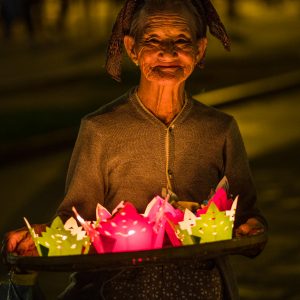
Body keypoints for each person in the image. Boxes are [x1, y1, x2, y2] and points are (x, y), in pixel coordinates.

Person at [3, 0, 267, 299]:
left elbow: (246, 215)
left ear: (200, 49)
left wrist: (253, 228)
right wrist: (39, 238)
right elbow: (75, 220)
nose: (168, 52)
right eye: (152, 40)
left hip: (203, 290)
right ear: (131, 49)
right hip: (116, 289)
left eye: (181, 40)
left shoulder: (220, 129)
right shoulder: (101, 129)